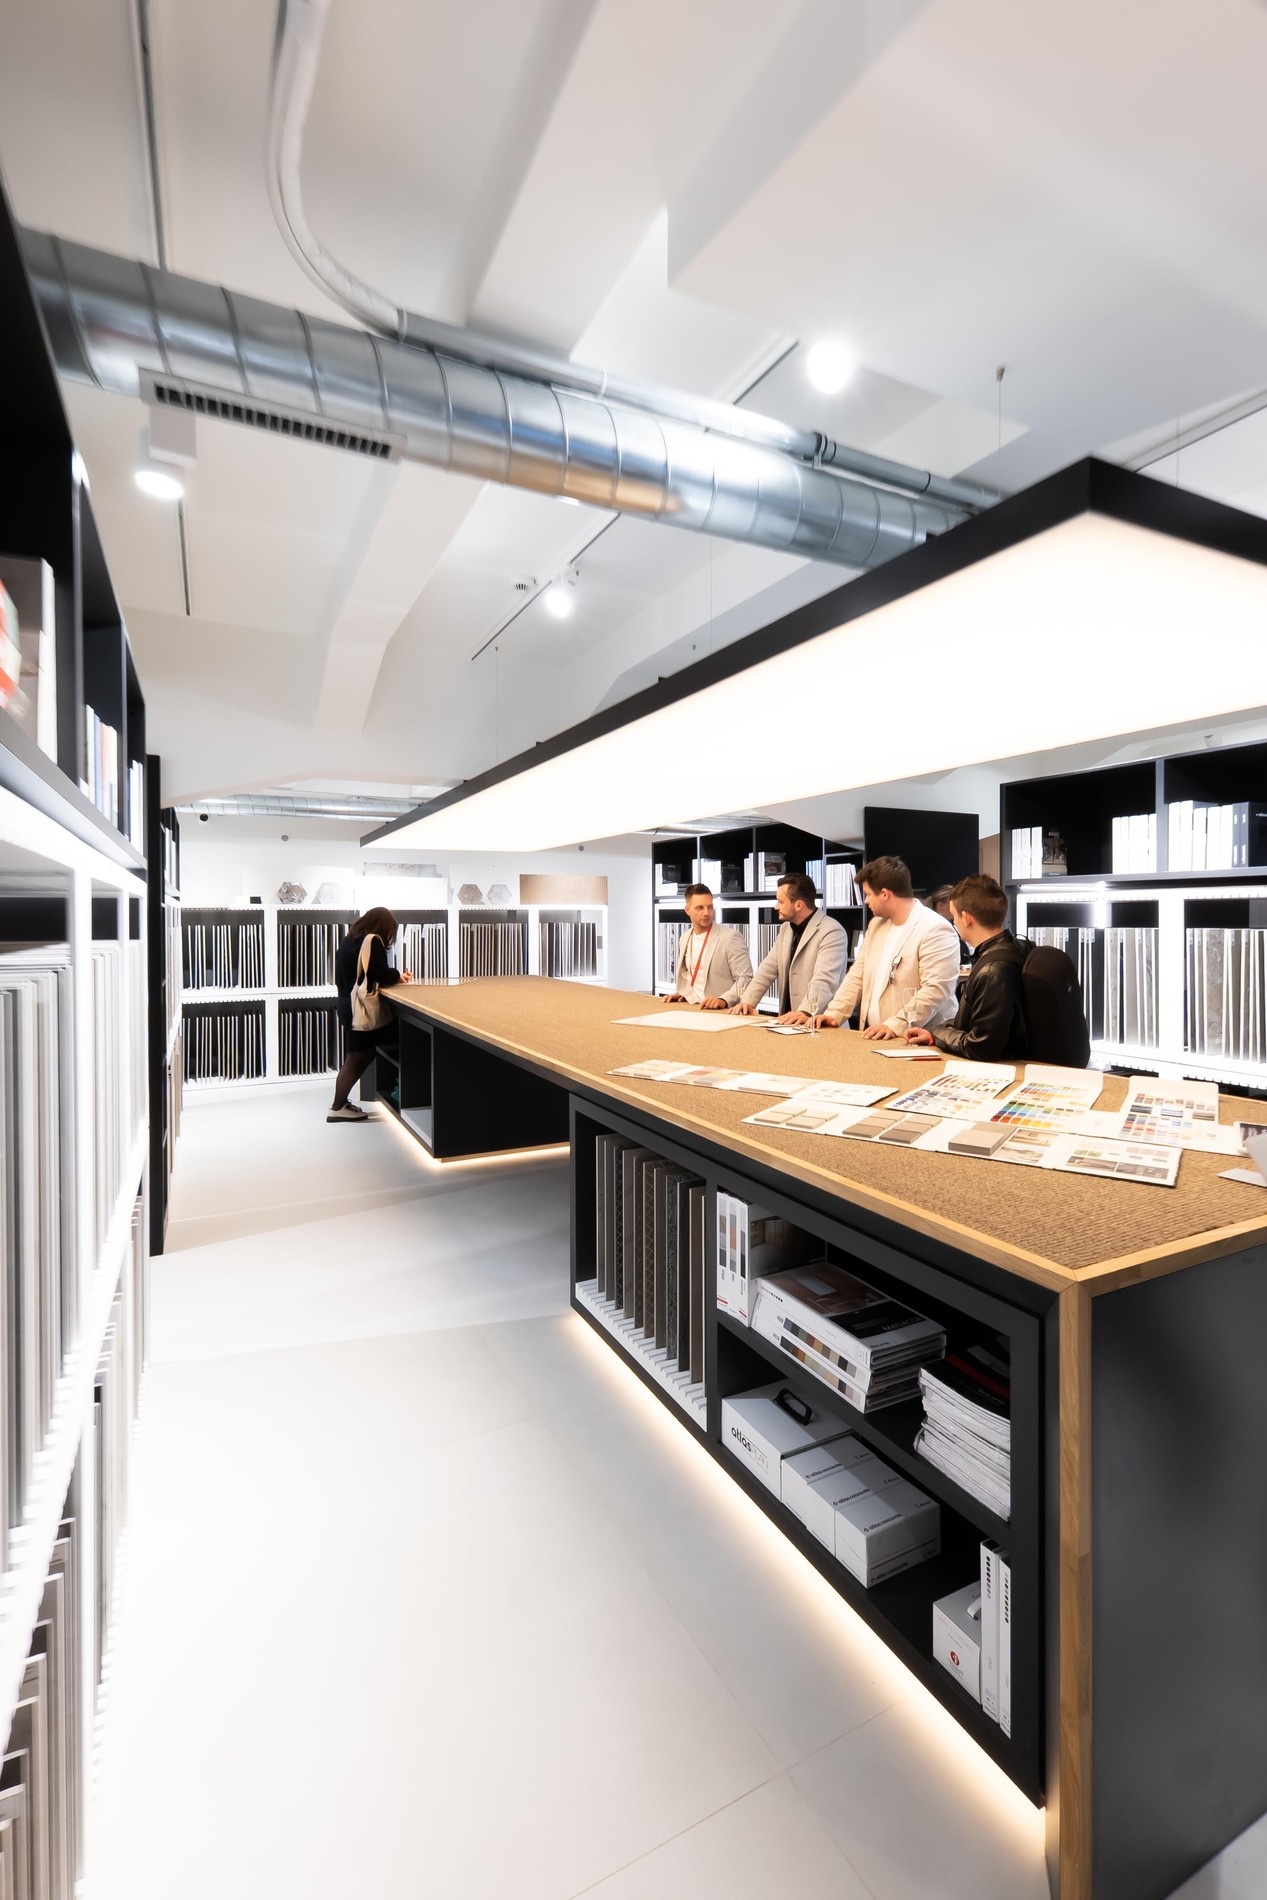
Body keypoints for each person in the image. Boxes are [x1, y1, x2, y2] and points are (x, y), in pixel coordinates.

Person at [816, 855, 961, 1040]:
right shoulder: (876, 925)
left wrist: (895, 1025)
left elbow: (935, 990)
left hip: (917, 1041)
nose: (866, 901)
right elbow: (857, 976)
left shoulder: (935, 928)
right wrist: (833, 1014)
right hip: (874, 1037)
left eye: (868, 894)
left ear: (885, 894)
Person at [904, 874, 1029, 1061]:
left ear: (967, 919)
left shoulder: (991, 972)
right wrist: (933, 1034)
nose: (953, 923)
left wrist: (937, 1033)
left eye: (954, 916)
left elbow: (981, 1046)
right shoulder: (1017, 948)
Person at [329, 907, 412, 1121]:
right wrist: (397, 975)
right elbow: (379, 973)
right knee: (356, 1058)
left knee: (361, 1054)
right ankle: (337, 1107)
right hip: (359, 1007)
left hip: (347, 1003)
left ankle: (340, 1104)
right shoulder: (372, 941)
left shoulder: (349, 940)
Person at [731, 872, 847, 1024]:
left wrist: (805, 1011)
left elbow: (824, 979)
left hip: (820, 1024)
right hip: (787, 1022)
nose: (776, 907)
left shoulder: (832, 931)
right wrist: (747, 1002)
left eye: (780, 902)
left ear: (798, 905)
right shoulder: (786, 929)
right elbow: (767, 969)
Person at [664, 884, 753, 1009]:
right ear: (687, 910)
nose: (706, 913)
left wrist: (724, 999)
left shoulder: (730, 937)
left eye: (710, 907)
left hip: (721, 1011)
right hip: (694, 1007)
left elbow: (745, 978)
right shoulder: (684, 938)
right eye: (700, 908)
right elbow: (691, 974)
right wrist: (684, 993)